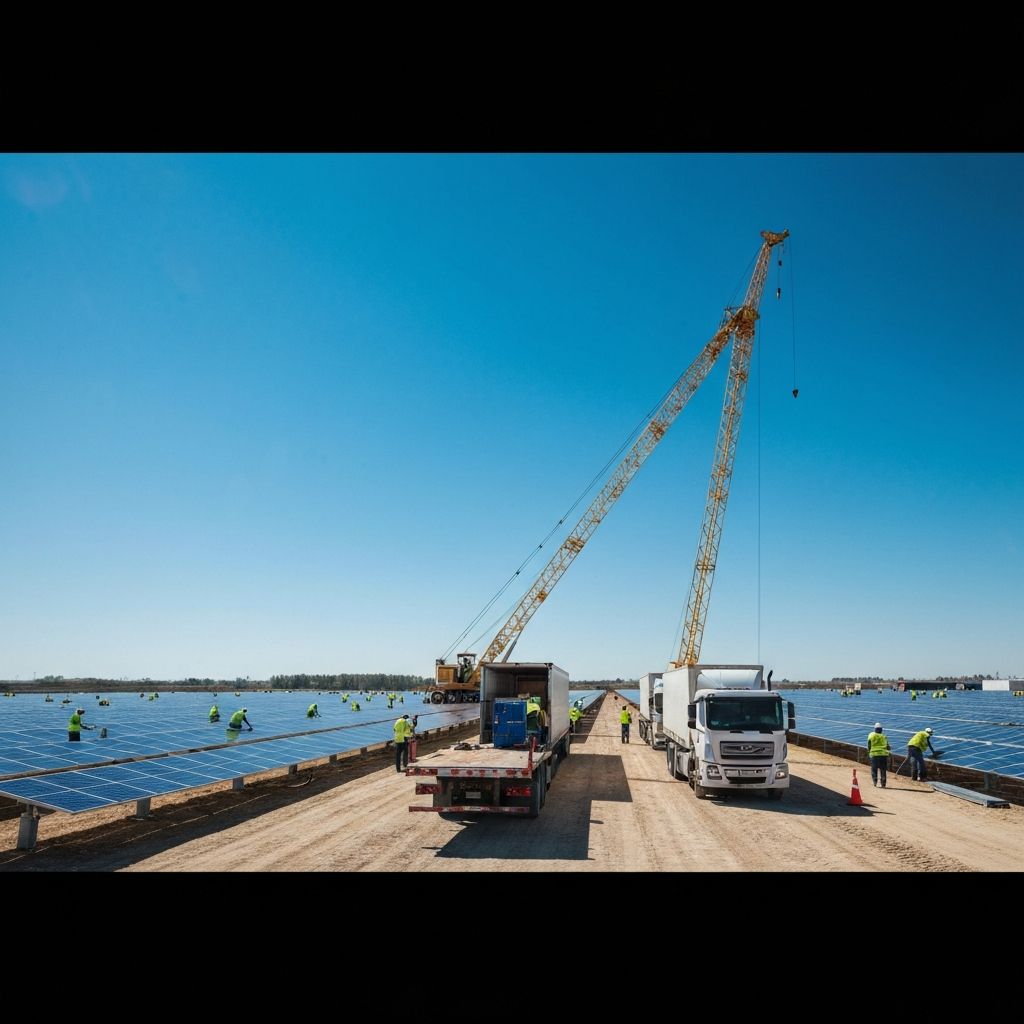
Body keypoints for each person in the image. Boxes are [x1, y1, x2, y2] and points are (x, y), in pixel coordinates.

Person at [867, 722, 891, 788]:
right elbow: (888, 747)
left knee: (874, 769)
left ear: (875, 729)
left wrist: (869, 752)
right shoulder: (884, 736)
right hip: (883, 755)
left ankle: (875, 782)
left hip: (874, 755)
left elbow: (869, 745)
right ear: (881, 729)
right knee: (883, 770)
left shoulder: (871, 735)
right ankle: (883, 784)